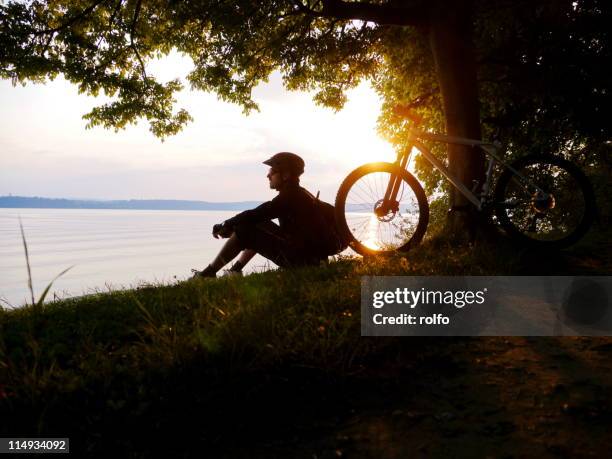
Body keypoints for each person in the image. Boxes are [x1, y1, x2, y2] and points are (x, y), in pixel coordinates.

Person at [191, 152, 332, 278]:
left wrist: (227, 224)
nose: (268, 175)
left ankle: (208, 274)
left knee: (245, 227)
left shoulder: (290, 197)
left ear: (286, 175)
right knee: (256, 225)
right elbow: (258, 216)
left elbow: (257, 214)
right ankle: (235, 270)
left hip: (303, 261)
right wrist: (231, 224)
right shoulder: (299, 193)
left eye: (272, 171)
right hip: (310, 258)